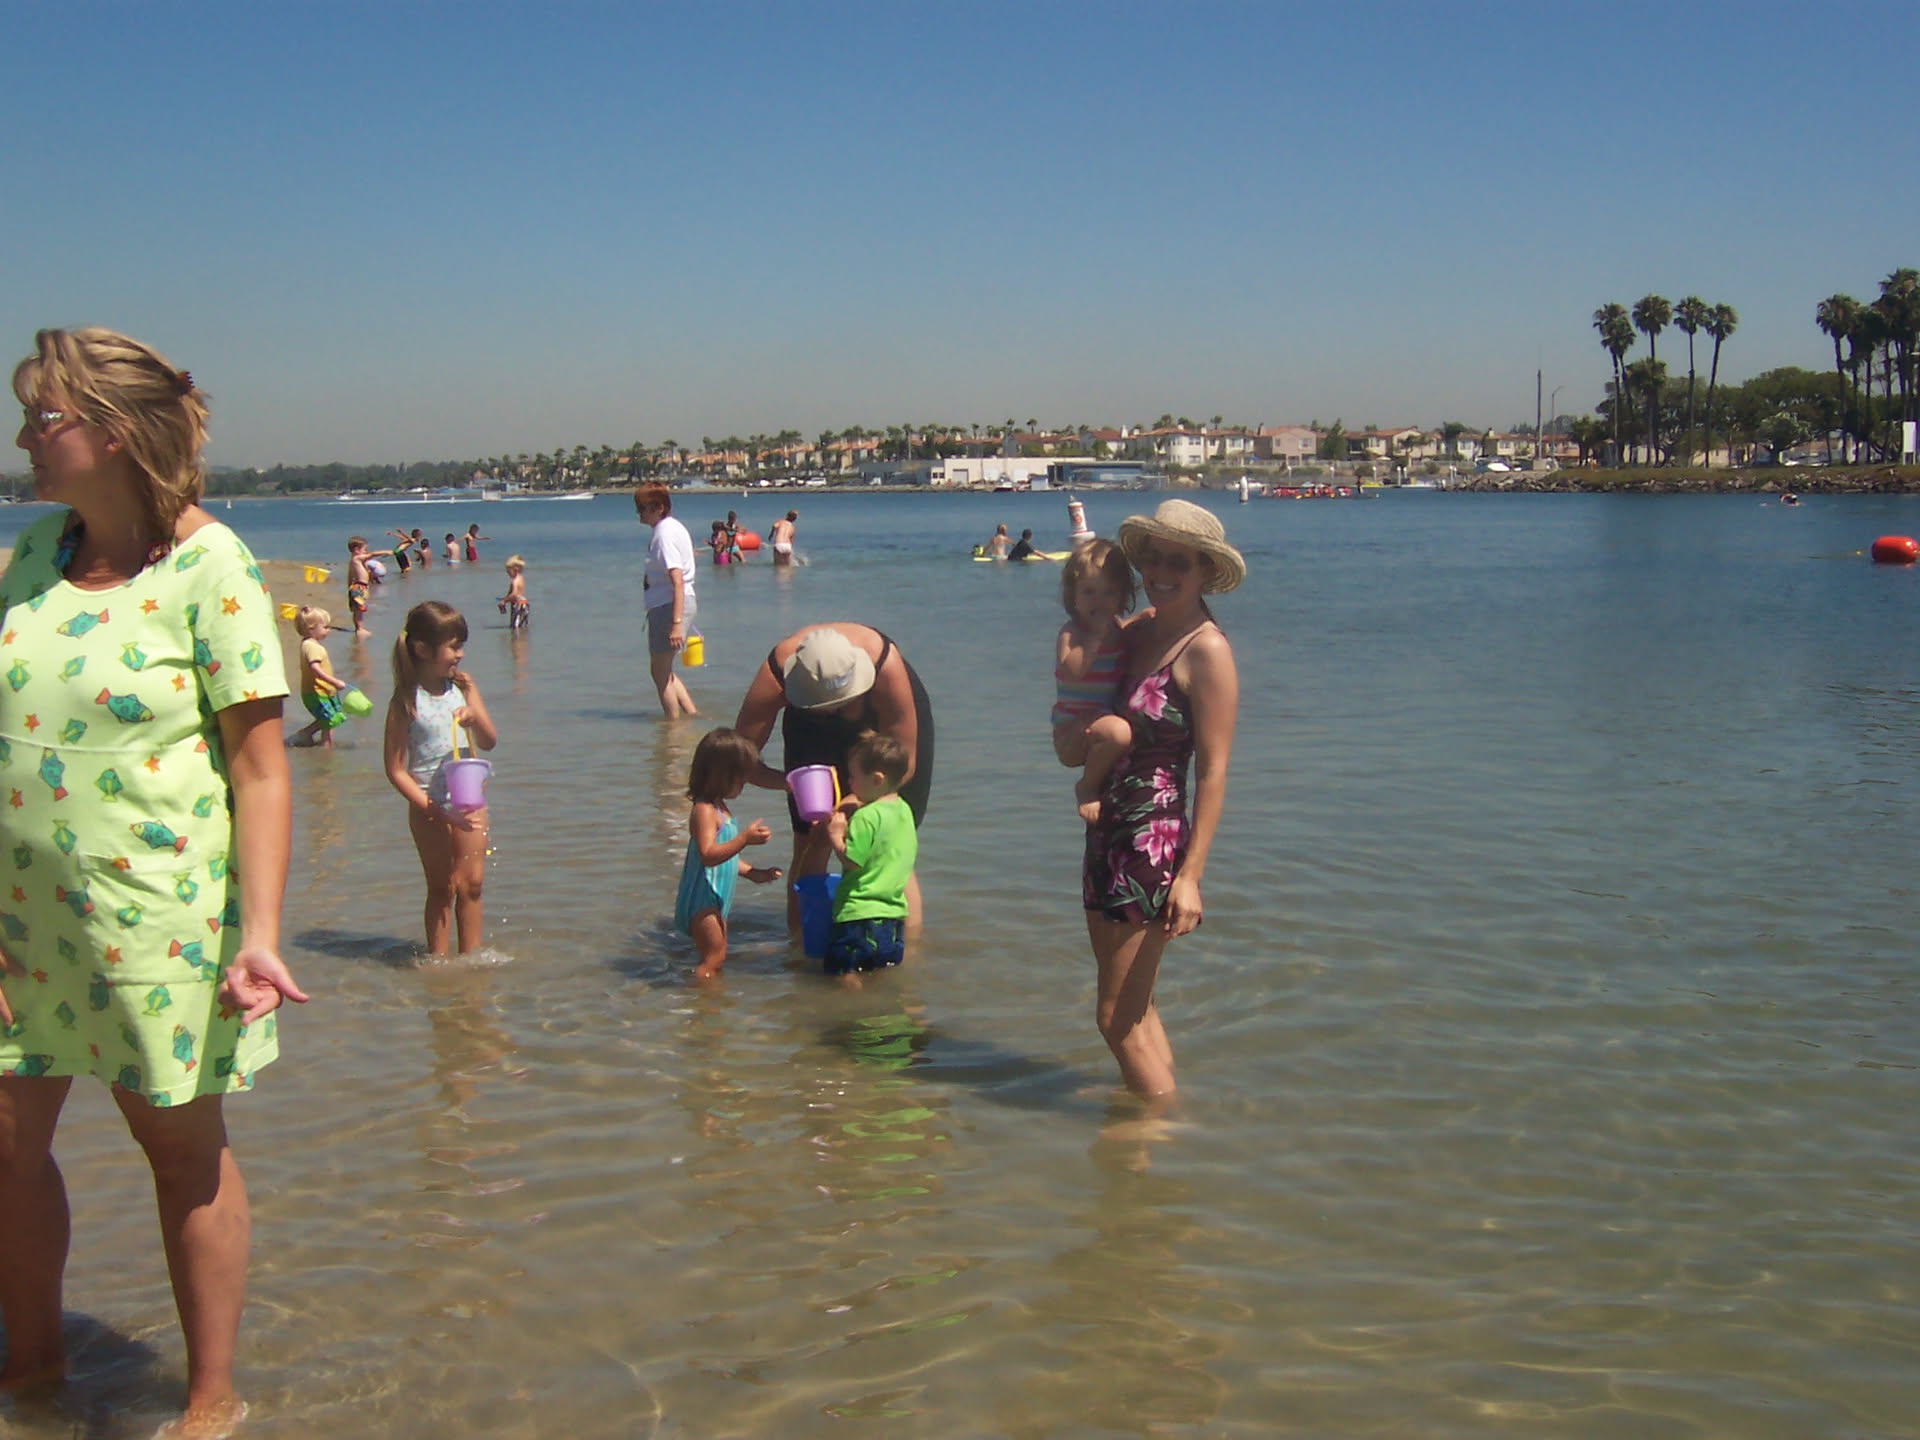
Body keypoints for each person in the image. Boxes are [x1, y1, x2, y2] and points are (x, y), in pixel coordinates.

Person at [0, 327, 308, 1433]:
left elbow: (260, 770)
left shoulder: (210, 565)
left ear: (115, 433)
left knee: (178, 1149)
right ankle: (34, 1373)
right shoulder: (32, 554)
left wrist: (260, 932)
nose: (23, 439)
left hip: (158, 922)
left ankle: (210, 1398)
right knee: (4, 1142)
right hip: (19, 922)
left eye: (42, 418)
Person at [1084, 499, 1241, 1099]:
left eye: (1180, 562)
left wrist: (1191, 877)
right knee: (1136, 1010)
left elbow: (1214, 771)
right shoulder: (1138, 631)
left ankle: (1148, 1140)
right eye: (1154, 559)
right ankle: (1165, 1133)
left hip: (1152, 843)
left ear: (1206, 572)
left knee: (1115, 1020)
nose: (1162, 573)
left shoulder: (1207, 651)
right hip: (1106, 829)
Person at [733, 624, 933, 929]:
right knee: (809, 841)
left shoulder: (885, 667)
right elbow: (740, 762)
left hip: (883, 733)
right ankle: (800, 947)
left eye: (842, 704)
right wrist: (792, 785)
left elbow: (906, 763)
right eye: (822, 708)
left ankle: (908, 951)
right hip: (809, 732)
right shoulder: (776, 675)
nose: (832, 712)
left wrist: (851, 803)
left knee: (891, 842)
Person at [383, 602, 498, 955]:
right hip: (428, 806)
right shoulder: (405, 701)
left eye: (461, 646)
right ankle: (438, 963)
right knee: (442, 887)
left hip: (469, 800)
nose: (460, 655)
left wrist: (474, 719)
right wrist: (433, 808)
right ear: (422, 649)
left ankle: (471, 962)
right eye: (453, 647)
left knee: (472, 885)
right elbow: (395, 769)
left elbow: (489, 741)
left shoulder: (463, 687)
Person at [796, 732, 918, 979]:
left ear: (877, 779)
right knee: (879, 974)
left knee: (843, 974)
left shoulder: (866, 816)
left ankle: (850, 1002)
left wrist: (835, 835)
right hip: (893, 918)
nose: (849, 783)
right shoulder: (904, 811)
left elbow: (852, 861)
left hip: (858, 916)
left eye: (853, 777)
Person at [675, 728, 782, 980]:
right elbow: (708, 855)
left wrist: (752, 872)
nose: (743, 785)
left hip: (715, 898)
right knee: (713, 959)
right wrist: (744, 839)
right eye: (740, 778)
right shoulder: (704, 810)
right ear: (720, 776)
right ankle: (699, 997)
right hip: (702, 899)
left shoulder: (720, 809)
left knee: (718, 955)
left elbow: (725, 858)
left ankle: (708, 997)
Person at [1053, 539, 1138, 822]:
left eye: (1108, 593)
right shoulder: (1072, 633)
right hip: (1071, 728)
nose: (1098, 601)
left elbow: (1130, 632)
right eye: (1089, 592)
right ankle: (1087, 787)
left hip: (1099, 722)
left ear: (1122, 597)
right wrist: (1093, 640)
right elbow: (1072, 672)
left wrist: (1147, 619)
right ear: (1073, 596)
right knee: (1119, 733)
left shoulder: (1117, 629)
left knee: (1121, 732)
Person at [633, 483, 698, 718]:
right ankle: (691, 714)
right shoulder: (673, 527)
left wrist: (676, 624)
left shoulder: (664, 534)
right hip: (674, 603)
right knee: (664, 669)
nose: (639, 513)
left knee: (659, 673)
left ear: (659, 508)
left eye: (642, 508)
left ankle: (673, 725)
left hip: (669, 606)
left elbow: (677, 580)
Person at [290, 606, 349, 748]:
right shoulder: (312, 647)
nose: (329, 630)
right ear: (311, 628)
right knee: (329, 721)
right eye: (325, 627)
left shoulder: (308, 644)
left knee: (329, 717)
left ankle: (305, 734)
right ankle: (326, 748)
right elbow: (315, 669)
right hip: (317, 692)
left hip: (322, 691)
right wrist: (335, 682)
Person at [345, 535, 391, 637]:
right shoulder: (356, 558)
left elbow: (350, 575)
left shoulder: (355, 561)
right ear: (357, 550)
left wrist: (349, 586)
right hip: (359, 587)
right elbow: (372, 554)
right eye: (365, 549)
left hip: (358, 587)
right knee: (359, 610)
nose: (366, 552)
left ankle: (359, 628)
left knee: (358, 609)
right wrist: (386, 552)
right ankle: (360, 629)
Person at [501, 554, 529, 629]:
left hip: (518, 605)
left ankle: (516, 636)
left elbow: (514, 594)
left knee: (515, 627)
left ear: (515, 570)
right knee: (521, 625)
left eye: (508, 571)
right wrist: (506, 598)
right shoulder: (521, 578)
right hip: (524, 603)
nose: (507, 573)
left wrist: (504, 601)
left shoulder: (515, 581)